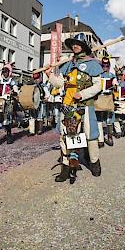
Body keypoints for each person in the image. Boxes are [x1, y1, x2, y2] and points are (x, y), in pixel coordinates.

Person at [49, 33, 104, 182]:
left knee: (91, 135)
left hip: (85, 105)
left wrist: (83, 94)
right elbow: (60, 83)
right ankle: (65, 168)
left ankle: (94, 163)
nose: (74, 45)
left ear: (84, 46)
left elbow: (99, 85)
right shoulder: (67, 64)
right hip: (68, 106)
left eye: (77, 43)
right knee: (65, 135)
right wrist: (50, 75)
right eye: (73, 43)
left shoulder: (92, 64)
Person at [97, 57, 117, 147]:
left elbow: (115, 83)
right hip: (98, 98)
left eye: (107, 65)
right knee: (98, 119)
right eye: (103, 65)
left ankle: (110, 137)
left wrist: (114, 85)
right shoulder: (97, 74)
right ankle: (100, 139)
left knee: (109, 118)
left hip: (108, 98)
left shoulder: (112, 75)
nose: (105, 67)